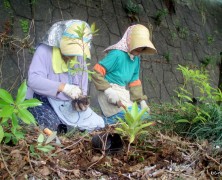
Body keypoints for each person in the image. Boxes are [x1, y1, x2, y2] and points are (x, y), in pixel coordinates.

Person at [26, 20, 105, 132]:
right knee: (54, 126)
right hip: (41, 99)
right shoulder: (44, 51)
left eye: (75, 54)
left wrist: (81, 99)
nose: (72, 57)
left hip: (66, 104)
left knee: (97, 124)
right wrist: (63, 87)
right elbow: (33, 80)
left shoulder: (80, 56)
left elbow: (83, 84)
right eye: (70, 53)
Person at [91, 24, 157, 124]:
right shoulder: (117, 54)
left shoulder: (136, 60)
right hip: (109, 93)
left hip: (122, 93)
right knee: (134, 118)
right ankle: (101, 123)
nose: (139, 51)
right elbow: (96, 72)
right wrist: (108, 90)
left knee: (145, 116)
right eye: (137, 47)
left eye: (142, 48)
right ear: (130, 40)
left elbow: (134, 81)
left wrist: (141, 101)